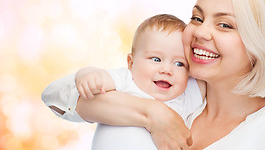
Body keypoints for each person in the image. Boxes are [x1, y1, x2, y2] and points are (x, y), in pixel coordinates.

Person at [62, 0, 265, 150]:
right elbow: (58, 96)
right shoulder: (179, 86)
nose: (200, 32)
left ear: (261, 44)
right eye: (197, 18)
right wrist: (152, 113)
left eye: (224, 25)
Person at [42, 14, 204, 149]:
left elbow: (217, 84)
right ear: (131, 63)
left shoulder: (184, 96)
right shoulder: (126, 80)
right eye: (156, 59)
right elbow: (94, 78)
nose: (167, 70)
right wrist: (86, 75)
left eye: (179, 64)